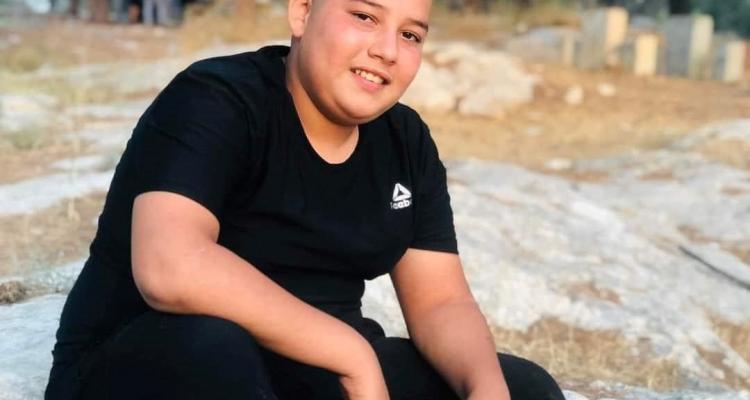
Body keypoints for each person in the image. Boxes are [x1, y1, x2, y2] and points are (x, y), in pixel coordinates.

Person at [44, 0, 566, 398]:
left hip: (310, 374)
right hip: (156, 361)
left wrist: (486, 389)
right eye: (365, 16)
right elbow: (170, 268)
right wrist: (351, 355)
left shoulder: (405, 141)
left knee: (524, 389)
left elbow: (440, 301)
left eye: (410, 35)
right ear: (301, 11)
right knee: (215, 351)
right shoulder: (215, 98)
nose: (387, 50)